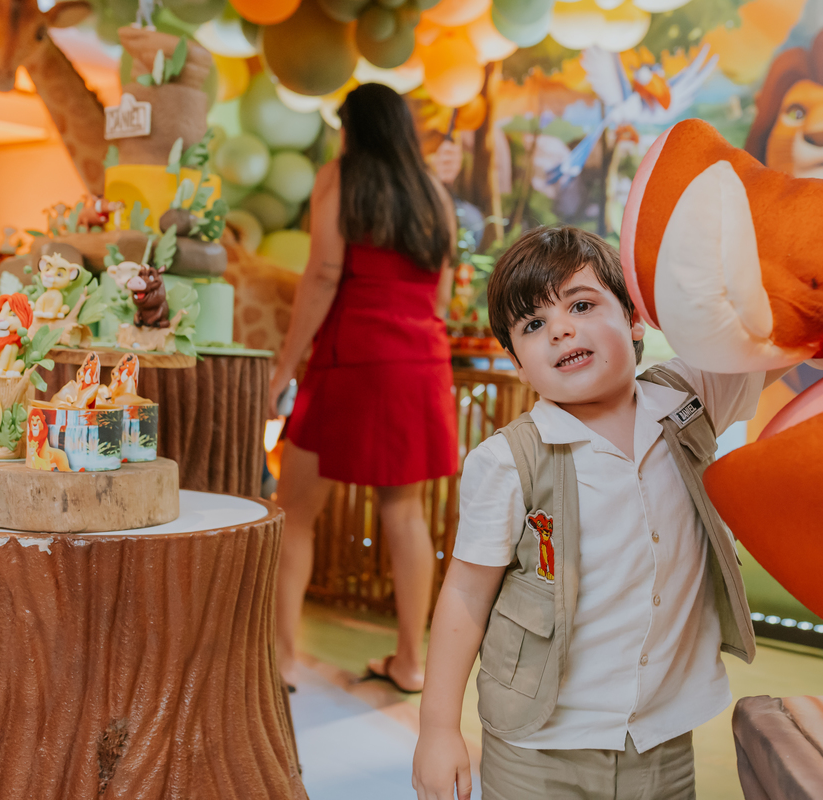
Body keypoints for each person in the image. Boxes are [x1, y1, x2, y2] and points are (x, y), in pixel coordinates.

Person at [412, 226, 787, 800]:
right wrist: (437, 729)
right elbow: (465, 594)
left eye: (581, 305)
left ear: (635, 321)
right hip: (539, 746)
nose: (561, 329)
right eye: (533, 325)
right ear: (518, 364)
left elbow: (787, 336)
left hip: (662, 739)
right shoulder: (507, 461)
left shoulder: (687, 401)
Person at [269, 83, 458, 694]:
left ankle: (281, 660)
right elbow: (444, 292)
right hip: (419, 361)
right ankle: (410, 661)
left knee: (295, 513)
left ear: (352, 128)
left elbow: (323, 273)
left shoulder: (341, 176)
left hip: (352, 356)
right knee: (403, 512)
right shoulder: (433, 191)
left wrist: (284, 368)